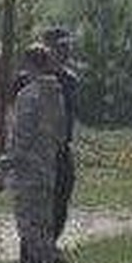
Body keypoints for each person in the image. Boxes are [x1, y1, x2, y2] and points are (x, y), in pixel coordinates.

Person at [1, 43, 65, 263]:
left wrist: (2, 170)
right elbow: (60, 135)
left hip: (28, 172)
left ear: (28, 65)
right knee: (43, 226)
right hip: (48, 169)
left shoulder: (29, 96)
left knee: (30, 231)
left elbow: (21, 139)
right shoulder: (56, 95)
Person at [43, 26, 79, 243]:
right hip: (40, 151)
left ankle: (49, 251)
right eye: (60, 47)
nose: (66, 52)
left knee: (60, 205)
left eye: (67, 47)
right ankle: (35, 261)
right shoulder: (30, 78)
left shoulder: (70, 80)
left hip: (62, 150)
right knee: (37, 211)